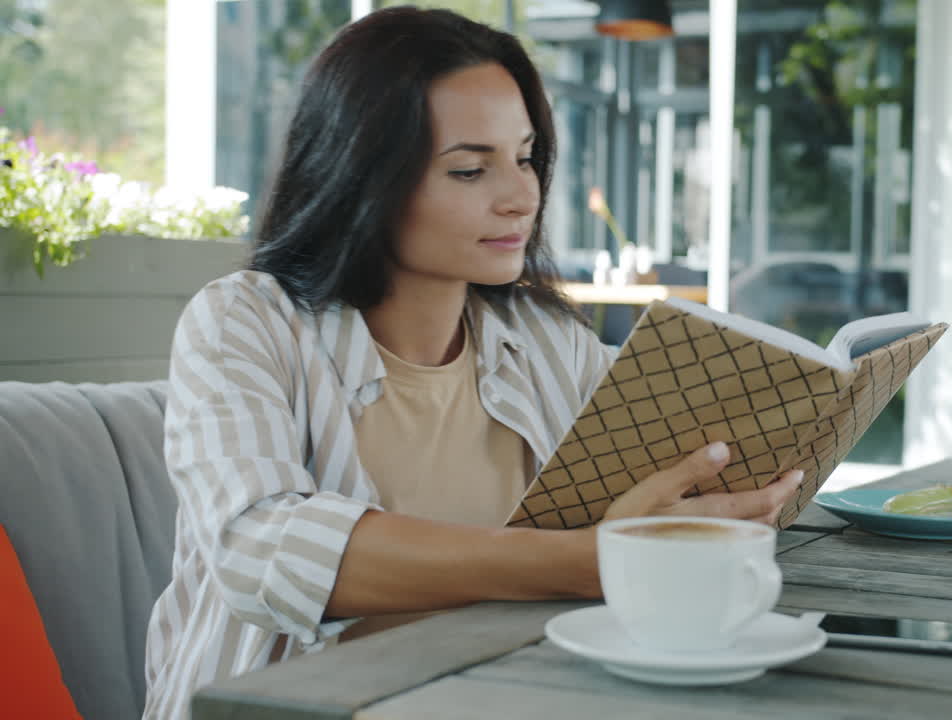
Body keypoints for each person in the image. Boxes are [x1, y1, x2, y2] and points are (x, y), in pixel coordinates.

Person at [142, 7, 803, 719]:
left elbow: (667, 460)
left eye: (524, 158)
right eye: (469, 169)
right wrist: (589, 561)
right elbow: (262, 547)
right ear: (361, 176)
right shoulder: (244, 322)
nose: (522, 196)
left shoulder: (549, 341)